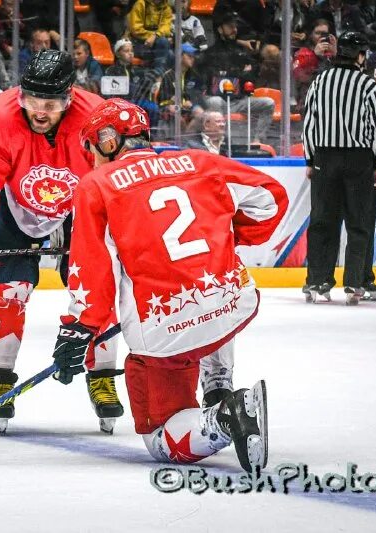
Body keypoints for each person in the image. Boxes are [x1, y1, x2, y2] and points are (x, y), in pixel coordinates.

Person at [50, 99, 287, 470]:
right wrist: (224, 240)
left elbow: (92, 271)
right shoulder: (199, 161)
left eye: (92, 148)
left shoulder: (96, 185)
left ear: (109, 141)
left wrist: (80, 329)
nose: (91, 159)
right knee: (210, 300)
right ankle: (218, 382)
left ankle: (227, 415)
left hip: (166, 332)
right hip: (232, 301)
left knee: (162, 438)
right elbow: (271, 197)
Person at [0, 50, 118, 434]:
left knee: (96, 289)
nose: (38, 110)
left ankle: (102, 377)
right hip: (12, 201)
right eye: (31, 100)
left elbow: (113, 181)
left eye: (49, 104)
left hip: (81, 205)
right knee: (6, 291)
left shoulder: (97, 118)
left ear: (69, 98)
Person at [302, 31, 376, 305]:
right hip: (358, 160)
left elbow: (309, 124)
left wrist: (309, 159)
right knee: (359, 222)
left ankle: (317, 281)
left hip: (325, 159)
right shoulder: (368, 85)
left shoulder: (320, 81)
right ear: (360, 56)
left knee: (322, 221)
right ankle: (355, 283)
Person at [197, 13, 275, 144]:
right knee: (215, 101)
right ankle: (221, 141)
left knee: (268, 103)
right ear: (220, 29)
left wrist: (233, 74)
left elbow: (251, 78)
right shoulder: (210, 53)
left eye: (235, 26)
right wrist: (239, 73)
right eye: (230, 26)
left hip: (238, 101)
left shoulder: (242, 52)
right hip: (218, 100)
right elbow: (211, 79)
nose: (234, 29)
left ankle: (257, 141)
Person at [127, 0, 174, 75]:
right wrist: (153, 36)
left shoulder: (166, 8)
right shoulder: (140, 4)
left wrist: (155, 36)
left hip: (158, 43)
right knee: (165, 46)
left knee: (171, 54)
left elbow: (166, 28)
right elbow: (136, 30)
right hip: (138, 42)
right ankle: (158, 77)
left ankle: (162, 78)